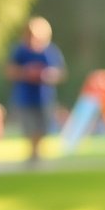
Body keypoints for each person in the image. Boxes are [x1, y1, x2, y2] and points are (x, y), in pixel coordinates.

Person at [7, 16, 65, 164]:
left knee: (43, 126)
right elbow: (9, 70)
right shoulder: (20, 50)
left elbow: (60, 73)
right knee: (29, 126)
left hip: (45, 97)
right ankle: (33, 154)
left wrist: (45, 74)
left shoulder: (50, 51)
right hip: (25, 96)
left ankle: (36, 152)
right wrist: (26, 72)